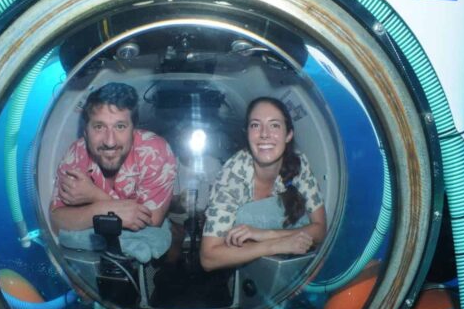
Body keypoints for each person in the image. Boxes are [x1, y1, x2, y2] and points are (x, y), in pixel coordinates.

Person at [50, 83, 177, 262]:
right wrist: (104, 208)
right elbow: (57, 221)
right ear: (85, 132)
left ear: (134, 131)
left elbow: (150, 221)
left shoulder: (155, 151)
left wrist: (94, 196)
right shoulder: (76, 154)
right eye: (99, 127)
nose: (110, 142)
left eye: (120, 126)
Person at [200, 97, 327, 271]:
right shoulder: (232, 176)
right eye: (255, 125)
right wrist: (276, 245)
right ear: (247, 134)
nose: (264, 134)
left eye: (274, 125)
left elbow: (320, 231)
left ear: (288, 135)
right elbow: (209, 257)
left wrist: (265, 235)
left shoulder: (300, 164)